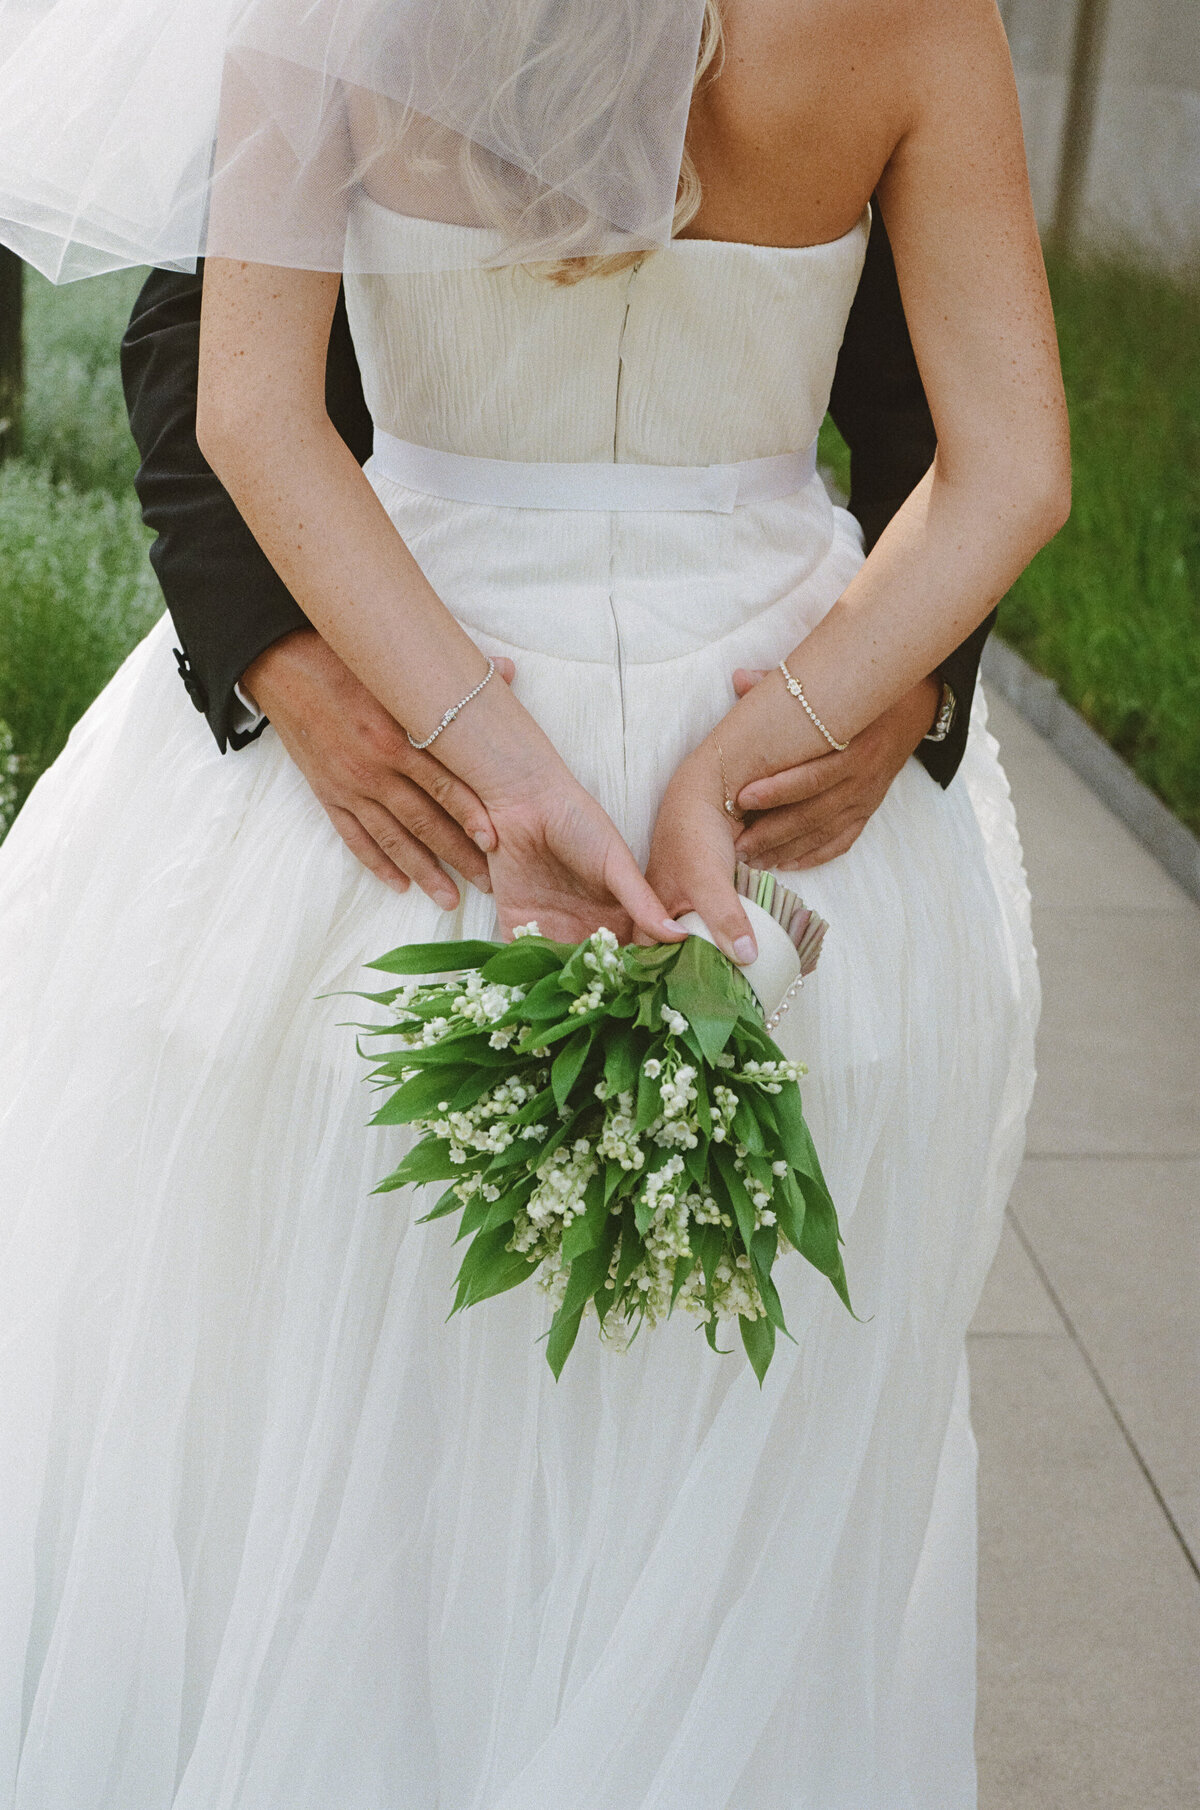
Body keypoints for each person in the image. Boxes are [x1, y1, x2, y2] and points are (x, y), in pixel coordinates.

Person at [0, 0, 1067, 1802]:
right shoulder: (917, 19)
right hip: (766, 722)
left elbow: (255, 408)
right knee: (747, 1416)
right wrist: (751, 753)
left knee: (336, 1384)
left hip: (428, 672)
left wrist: (501, 769)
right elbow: (1016, 469)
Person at [120, 211, 994, 904]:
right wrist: (278, 654)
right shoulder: (332, 44)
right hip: (381, 672)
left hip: (789, 715)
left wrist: (908, 678)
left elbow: (964, 409)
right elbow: (202, 338)